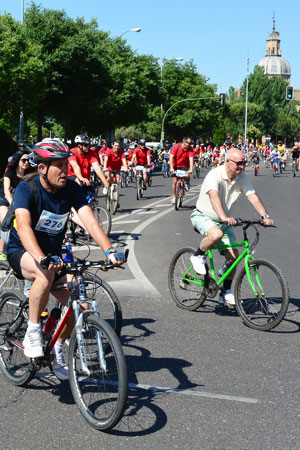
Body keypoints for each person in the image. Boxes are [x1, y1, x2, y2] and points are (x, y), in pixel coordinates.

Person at [5, 139, 125, 380]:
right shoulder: (26, 189)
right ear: (42, 168)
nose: (65, 170)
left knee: (78, 303)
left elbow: (90, 221)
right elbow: (25, 228)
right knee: (44, 273)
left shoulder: (71, 188)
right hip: (22, 252)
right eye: (58, 165)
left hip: (53, 256)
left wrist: (109, 251)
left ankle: (58, 348)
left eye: (66, 164)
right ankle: (33, 330)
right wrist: (42, 258)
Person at [190, 148, 274, 307]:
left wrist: (265, 217)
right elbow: (214, 197)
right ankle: (197, 255)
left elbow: (252, 196)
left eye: (244, 163)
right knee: (216, 234)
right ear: (227, 161)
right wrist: (223, 217)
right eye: (239, 163)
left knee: (234, 258)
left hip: (224, 221)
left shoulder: (241, 177)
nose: (242, 166)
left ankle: (225, 291)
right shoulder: (215, 175)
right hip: (203, 216)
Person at [0, 149, 31, 259]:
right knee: (6, 223)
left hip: (18, 202)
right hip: (4, 200)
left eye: (28, 160)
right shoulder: (10, 172)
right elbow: (7, 191)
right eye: (24, 160)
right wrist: (13, 205)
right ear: (18, 161)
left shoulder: (29, 174)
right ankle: (1, 250)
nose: (26, 162)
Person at [169, 137, 194, 204]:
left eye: (190, 143)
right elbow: (171, 157)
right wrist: (171, 168)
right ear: (184, 142)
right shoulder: (176, 146)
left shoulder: (190, 149)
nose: (189, 144)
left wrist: (191, 169)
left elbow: (191, 160)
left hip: (184, 165)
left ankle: (187, 183)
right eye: (188, 143)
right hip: (176, 165)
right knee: (175, 181)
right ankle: (174, 196)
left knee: (186, 176)